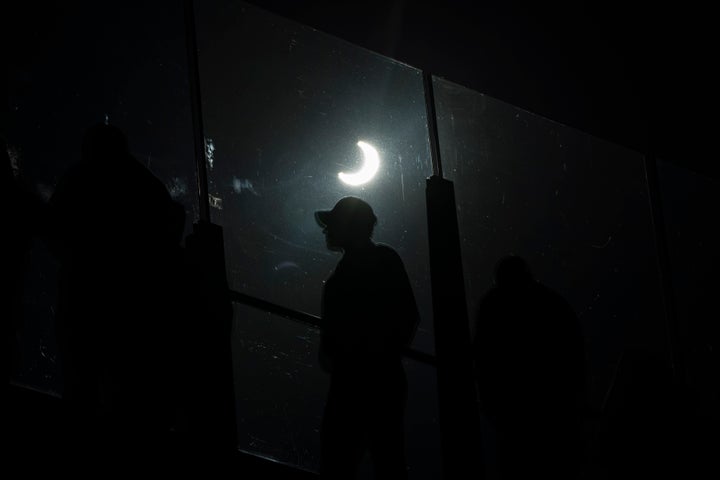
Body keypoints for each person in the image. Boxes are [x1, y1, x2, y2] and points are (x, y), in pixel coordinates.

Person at [315, 196, 419, 479]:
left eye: (333, 224)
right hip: (384, 380)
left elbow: (331, 346)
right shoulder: (386, 260)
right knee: (389, 460)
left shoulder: (339, 280)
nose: (326, 231)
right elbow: (408, 315)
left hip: (351, 384)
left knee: (337, 463)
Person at [473, 255, 586, 480]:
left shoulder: (491, 306)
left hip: (511, 414)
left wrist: (489, 401)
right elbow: (574, 353)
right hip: (553, 414)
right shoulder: (552, 304)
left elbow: (482, 356)